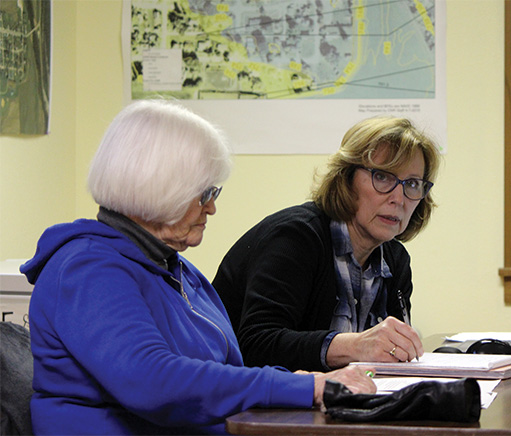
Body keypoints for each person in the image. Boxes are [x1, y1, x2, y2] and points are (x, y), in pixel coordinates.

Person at [20, 100, 375, 435]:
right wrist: (302, 385)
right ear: (159, 188)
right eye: (205, 193)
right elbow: (153, 382)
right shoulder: (88, 268)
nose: (211, 208)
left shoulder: (177, 270)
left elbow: (222, 374)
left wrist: (292, 380)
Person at [212, 116, 441, 373]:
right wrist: (354, 347)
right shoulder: (295, 238)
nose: (398, 198)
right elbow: (254, 346)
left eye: (412, 184)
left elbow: (388, 360)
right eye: (383, 177)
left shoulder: (395, 259)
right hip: (244, 406)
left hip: (337, 404)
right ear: (346, 178)